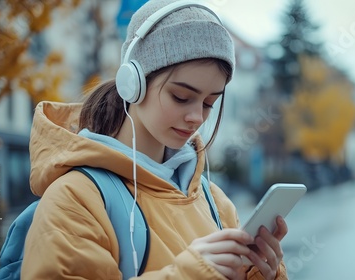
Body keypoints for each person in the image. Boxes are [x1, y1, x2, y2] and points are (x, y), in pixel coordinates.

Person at [22, 0, 289, 279]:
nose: (197, 117)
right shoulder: (75, 198)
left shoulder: (215, 202)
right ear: (134, 84)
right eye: (181, 97)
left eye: (209, 103)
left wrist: (260, 273)